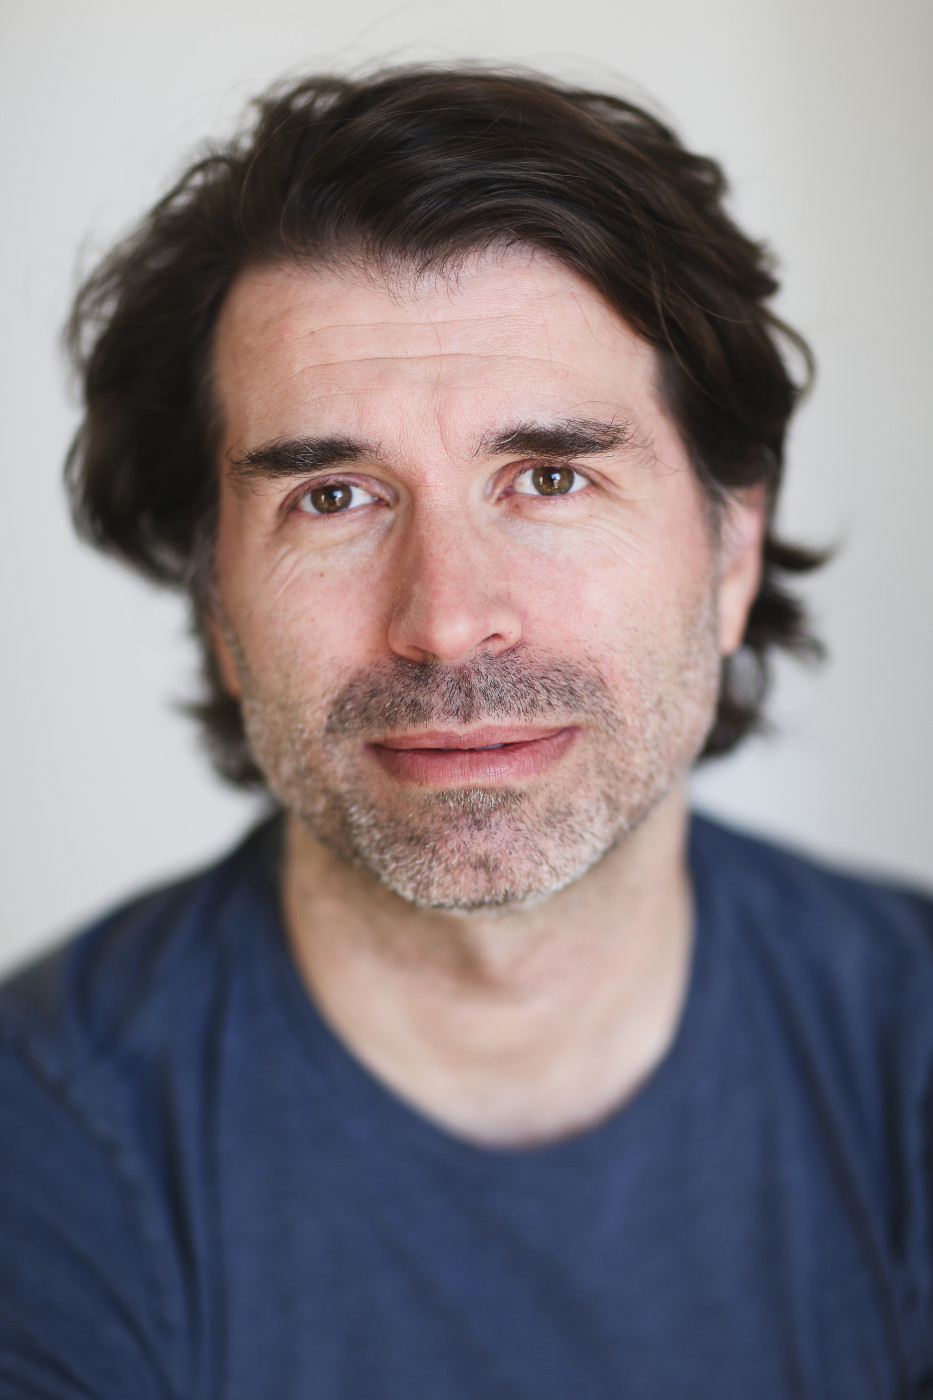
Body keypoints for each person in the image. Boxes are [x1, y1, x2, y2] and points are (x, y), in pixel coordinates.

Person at [1, 64, 931, 1400]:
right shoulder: (43, 1146)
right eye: (332, 497)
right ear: (218, 605)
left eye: (548, 476)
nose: (445, 621)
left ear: (731, 552)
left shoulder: (909, 1056)